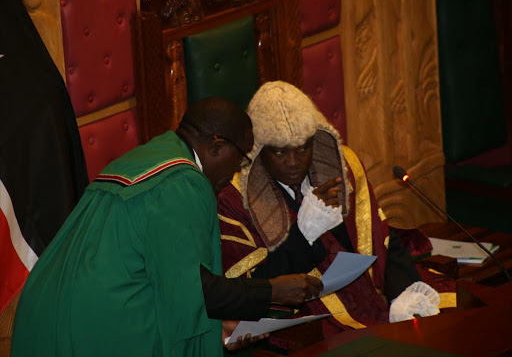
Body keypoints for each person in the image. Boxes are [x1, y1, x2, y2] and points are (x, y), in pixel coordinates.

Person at [11, 97, 323, 357]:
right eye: (240, 160)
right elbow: (197, 290)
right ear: (217, 146)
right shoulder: (183, 183)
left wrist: (218, 329)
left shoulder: (147, 157)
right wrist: (274, 290)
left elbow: (152, 274)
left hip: (42, 312)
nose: (235, 174)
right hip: (94, 327)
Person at [217, 81, 455, 341]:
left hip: (370, 296)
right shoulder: (234, 199)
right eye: (279, 152)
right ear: (259, 152)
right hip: (307, 322)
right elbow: (249, 288)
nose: (294, 162)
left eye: (302, 148)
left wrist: (404, 293)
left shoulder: (343, 168)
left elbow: (381, 237)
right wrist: (304, 233)